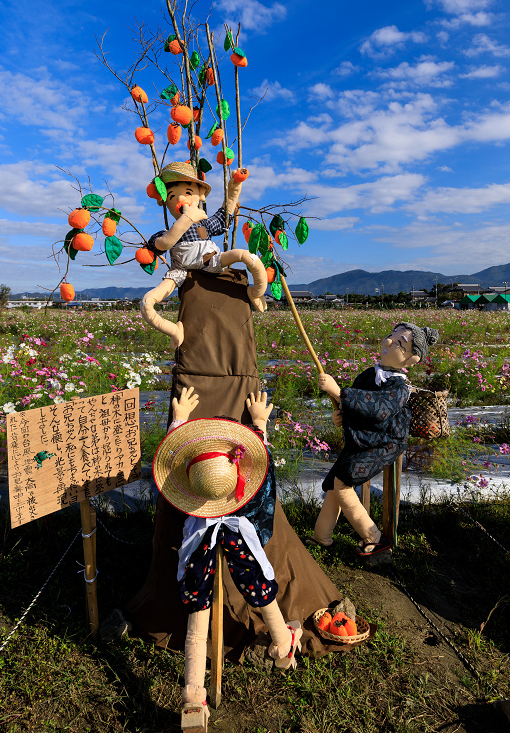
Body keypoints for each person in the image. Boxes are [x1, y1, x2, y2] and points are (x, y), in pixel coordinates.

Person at [153, 387, 302, 729]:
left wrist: (178, 420)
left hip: (198, 542)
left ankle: (193, 697)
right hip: (238, 539)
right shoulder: (243, 504)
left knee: (197, 614)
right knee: (260, 589)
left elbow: (171, 457)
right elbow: (265, 474)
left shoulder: (192, 501)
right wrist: (260, 426)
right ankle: (282, 646)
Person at [311, 322, 438, 556]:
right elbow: (355, 408)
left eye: (400, 343)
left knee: (342, 483)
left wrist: (339, 392)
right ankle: (321, 539)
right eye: (391, 335)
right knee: (334, 484)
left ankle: (374, 538)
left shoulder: (399, 387)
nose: (389, 341)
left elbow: (377, 409)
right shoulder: (370, 375)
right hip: (364, 438)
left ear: (411, 360)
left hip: (384, 443)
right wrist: (341, 415)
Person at [140, 162, 267, 349]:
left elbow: (225, 214)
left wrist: (234, 186)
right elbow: (163, 243)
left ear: (200, 195)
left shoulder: (204, 225)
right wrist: (187, 218)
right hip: (180, 272)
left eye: (188, 193)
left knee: (248, 257)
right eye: (173, 196)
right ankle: (174, 330)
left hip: (212, 259)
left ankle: (256, 293)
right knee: (147, 303)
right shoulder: (166, 232)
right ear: (166, 201)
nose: (181, 199)